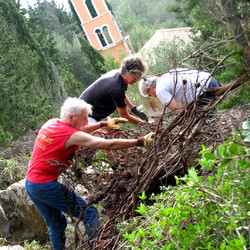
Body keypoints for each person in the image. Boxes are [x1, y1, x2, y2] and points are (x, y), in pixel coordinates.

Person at [25, 97, 154, 250]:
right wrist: (139, 142)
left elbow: (78, 131)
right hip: (44, 186)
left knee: (56, 223)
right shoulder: (70, 134)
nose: (87, 121)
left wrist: (103, 124)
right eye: (84, 117)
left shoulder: (52, 123)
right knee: (89, 212)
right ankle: (100, 247)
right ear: (71, 117)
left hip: (31, 184)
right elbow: (107, 144)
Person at [79, 55, 148, 124]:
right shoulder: (116, 88)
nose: (138, 79)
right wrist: (144, 125)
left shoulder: (120, 77)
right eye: (136, 75)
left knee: (118, 133)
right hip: (82, 114)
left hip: (97, 114)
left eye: (139, 75)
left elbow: (122, 95)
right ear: (126, 71)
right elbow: (124, 116)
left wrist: (134, 110)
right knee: (102, 134)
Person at [139, 68, 219, 115]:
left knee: (205, 122)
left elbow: (177, 111)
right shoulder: (166, 77)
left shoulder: (160, 89)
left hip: (202, 89)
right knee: (208, 117)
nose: (154, 96)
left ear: (150, 88)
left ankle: (220, 142)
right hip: (210, 81)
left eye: (150, 94)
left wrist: (183, 127)